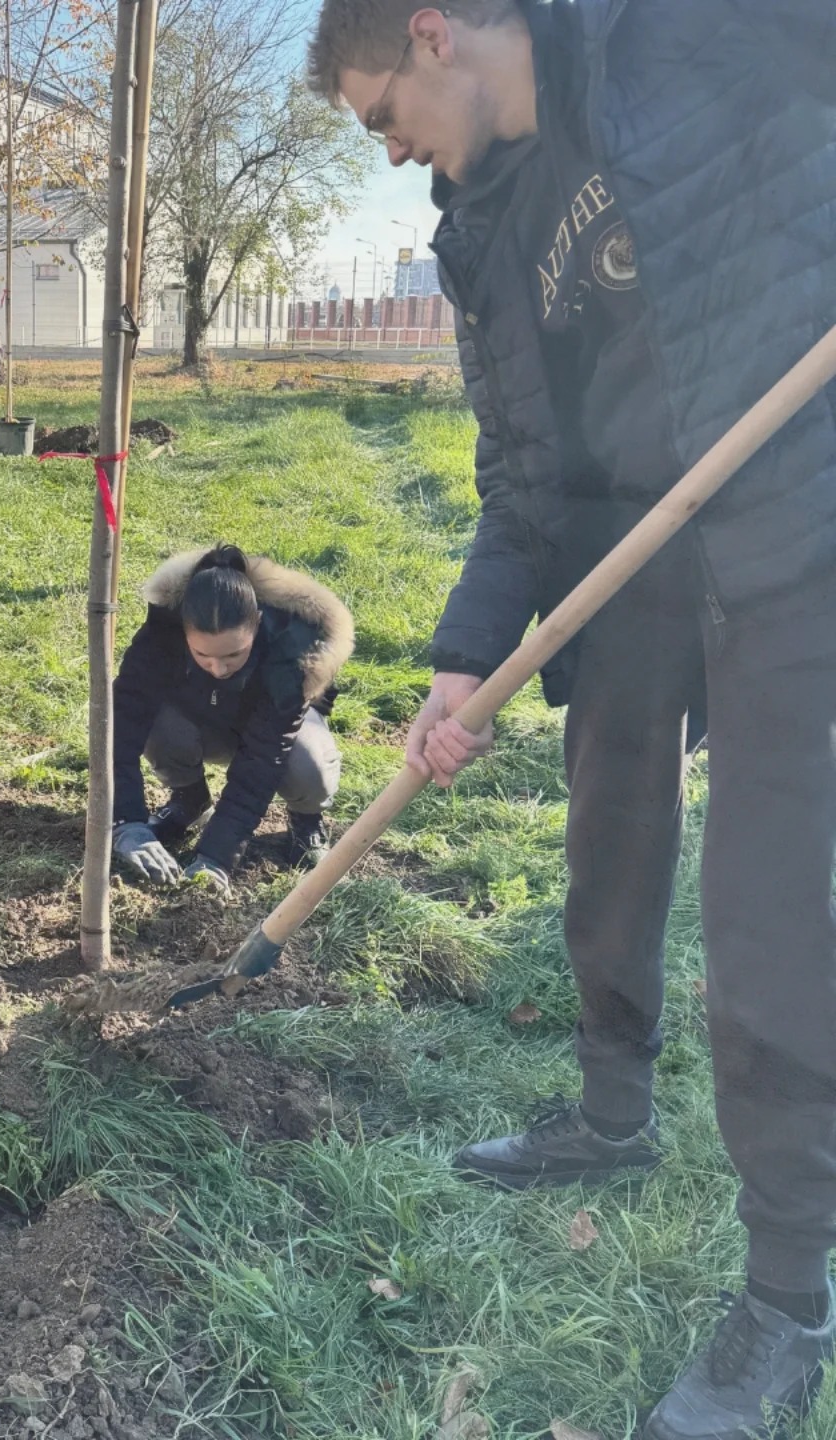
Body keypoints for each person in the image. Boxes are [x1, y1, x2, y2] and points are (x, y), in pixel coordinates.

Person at [307, 2, 836, 1436]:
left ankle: (789, 1293)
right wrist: (464, 657)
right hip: (629, 555)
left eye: (377, 115)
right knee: (607, 833)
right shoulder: (479, 227)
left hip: (796, 515)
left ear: (430, 34)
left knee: (770, 911)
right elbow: (521, 471)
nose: (392, 149)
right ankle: (611, 1114)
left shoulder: (668, 31)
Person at [111, 546, 353, 894]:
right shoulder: (161, 634)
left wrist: (216, 858)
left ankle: (307, 816)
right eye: (202, 655)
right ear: (183, 629)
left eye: (233, 654)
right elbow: (121, 725)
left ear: (256, 620)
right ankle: (189, 800)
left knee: (307, 766)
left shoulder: (292, 648)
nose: (219, 668)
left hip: (272, 730)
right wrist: (127, 822)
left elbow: (262, 760)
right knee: (153, 719)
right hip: (201, 719)